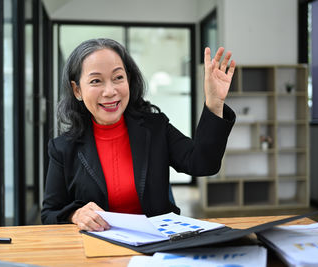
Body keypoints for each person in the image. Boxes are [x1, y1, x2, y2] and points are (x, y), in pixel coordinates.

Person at [41, 38, 236, 231]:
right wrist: (75, 214)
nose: (110, 91)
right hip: (98, 251)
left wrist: (214, 103)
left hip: (156, 248)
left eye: (118, 78)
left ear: (129, 79)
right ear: (77, 90)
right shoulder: (63, 148)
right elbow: (49, 213)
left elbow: (203, 163)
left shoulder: (155, 128)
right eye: (96, 81)